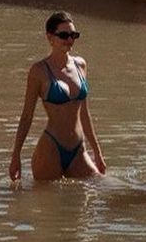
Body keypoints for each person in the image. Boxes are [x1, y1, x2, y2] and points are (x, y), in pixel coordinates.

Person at [9, 10, 107, 182]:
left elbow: (84, 113)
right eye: (64, 35)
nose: (69, 40)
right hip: (51, 148)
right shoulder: (38, 71)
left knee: (99, 186)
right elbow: (26, 116)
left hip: (78, 149)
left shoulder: (81, 65)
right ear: (50, 37)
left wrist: (97, 153)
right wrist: (16, 155)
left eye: (73, 35)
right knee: (50, 204)